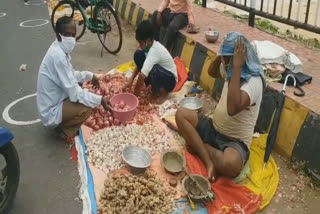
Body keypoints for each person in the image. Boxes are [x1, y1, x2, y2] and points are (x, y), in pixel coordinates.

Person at [175, 32, 264, 181]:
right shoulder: (229, 68)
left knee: (231, 164)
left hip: (234, 142)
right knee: (180, 115)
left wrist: (236, 67)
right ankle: (209, 161)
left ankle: (198, 146)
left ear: (241, 60)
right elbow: (212, 72)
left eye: (229, 61)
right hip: (213, 128)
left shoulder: (254, 82)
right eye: (225, 59)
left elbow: (232, 108)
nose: (225, 64)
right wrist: (221, 53)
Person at [37, 16, 110, 142]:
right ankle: (64, 131)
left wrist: (89, 75)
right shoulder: (58, 56)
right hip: (50, 110)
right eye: (67, 34)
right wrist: (100, 100)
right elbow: (75, 94)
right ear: (59, 35)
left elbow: (70, 74)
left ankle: (65, 120)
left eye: (73, 35)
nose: (71, 39)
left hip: (53, 100)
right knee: (87, 109)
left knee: (82, 89)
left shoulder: (59, 49)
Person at [124, 20, 177, 104]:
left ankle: (164, 93)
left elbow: (142, 76)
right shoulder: (148, 47)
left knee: (154, 69)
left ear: (148, 40)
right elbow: (141, 66)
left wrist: (134, 97)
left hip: (170, 80)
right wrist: (131, 79)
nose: (139, 45)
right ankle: (154, 88)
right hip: (161, 74)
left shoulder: (155, 51)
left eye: (140, 43)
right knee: (138, 54)